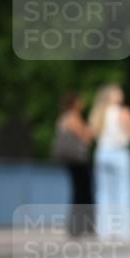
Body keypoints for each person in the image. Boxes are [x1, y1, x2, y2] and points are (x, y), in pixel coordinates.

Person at [89, 85, 130, 241]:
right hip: (119, 152)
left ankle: (104, 231)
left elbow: (91, 133)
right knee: (123, 192)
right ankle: (123, 231)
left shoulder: (98, 114)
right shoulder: (123, 112)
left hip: (102, 153)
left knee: (103, 193)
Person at [51, 92, 95, 236]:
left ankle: (78, 226)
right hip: (78, 160)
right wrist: (92, 127)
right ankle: (82, 226)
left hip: (70, 160)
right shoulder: (72, 117)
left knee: (78, 191)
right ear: (75, 103)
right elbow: (86, 136)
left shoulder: (63, 117)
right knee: (83, 192)